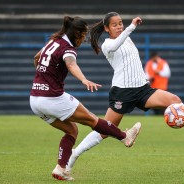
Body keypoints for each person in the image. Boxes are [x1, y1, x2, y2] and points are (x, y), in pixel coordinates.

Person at [66, 12, 184, 173]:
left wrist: (128, 31)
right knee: (105, 130)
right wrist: (131, 27)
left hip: (142, 89)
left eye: (121, 23)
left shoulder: (126, 37)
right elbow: (116, 45)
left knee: (174, 99)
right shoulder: (107, 44)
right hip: (123, 92)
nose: (119, 26)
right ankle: (74, 155)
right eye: (115, 24)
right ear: (106, 28)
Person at [29, 15, 141, 181]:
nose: (84, 39)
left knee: (72, 130)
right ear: (77, 33)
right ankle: (125, 137)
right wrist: (83, 79)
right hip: (52, 98)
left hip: (35, 100)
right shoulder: (67, 47)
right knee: (92, 120)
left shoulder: (53, 41)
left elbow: (37, 58)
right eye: (83, 35)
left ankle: (61, 168)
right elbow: (71, 64)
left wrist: (45, 76)